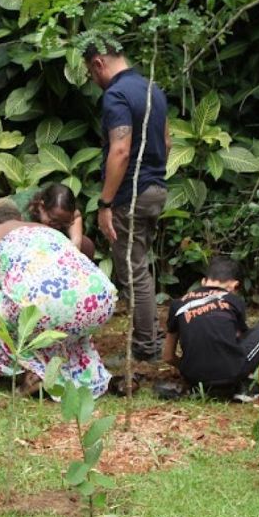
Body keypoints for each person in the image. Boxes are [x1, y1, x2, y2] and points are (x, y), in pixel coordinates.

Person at [0, 198, 117, 398]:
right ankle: (89, 376)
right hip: (100, 301)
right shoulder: (45, 229)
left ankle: (29, 375)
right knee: (63, 320)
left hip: (50, 308)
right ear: (20, 217)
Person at [84, 42, 170, 362]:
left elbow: (120, 149)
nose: (93, 80)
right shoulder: (152, 89)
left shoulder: (116, 95)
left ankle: (146, 348)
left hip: (130, 195)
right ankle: (152, 337)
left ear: (98, 63)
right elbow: (167, 141)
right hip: (155, 188)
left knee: (133, 274)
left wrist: (106, 203)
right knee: (142, 268)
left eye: (90, 73)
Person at [163, 257, 259, 399]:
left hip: (194, 380)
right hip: (231, 374)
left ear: (204, 281)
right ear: (234, 286)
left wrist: (192, 369)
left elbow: (168, 356)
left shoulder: (178, 304)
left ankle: (221, 381)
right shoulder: (233, 300)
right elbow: (238, 341)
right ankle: (242, 384)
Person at [26, 183, 95, 259]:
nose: (58, 226)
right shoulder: (23, 216)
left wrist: (75, 243)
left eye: (64, 222)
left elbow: (76, 216)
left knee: (86, 246)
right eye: (54, 221)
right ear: (41, 207)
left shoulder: (66, 215)